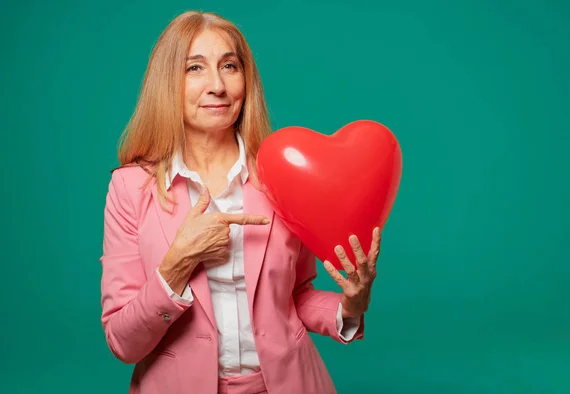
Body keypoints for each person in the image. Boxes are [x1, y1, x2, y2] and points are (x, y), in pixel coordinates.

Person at [99, 10, 381, 394]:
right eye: (194, 68)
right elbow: (122, 341)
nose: (217, 85)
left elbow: (295, 296)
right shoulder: (130, 188)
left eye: (229, 66)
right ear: (168, 83)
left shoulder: (280, 176)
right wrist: (176, 264)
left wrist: (349, 307)